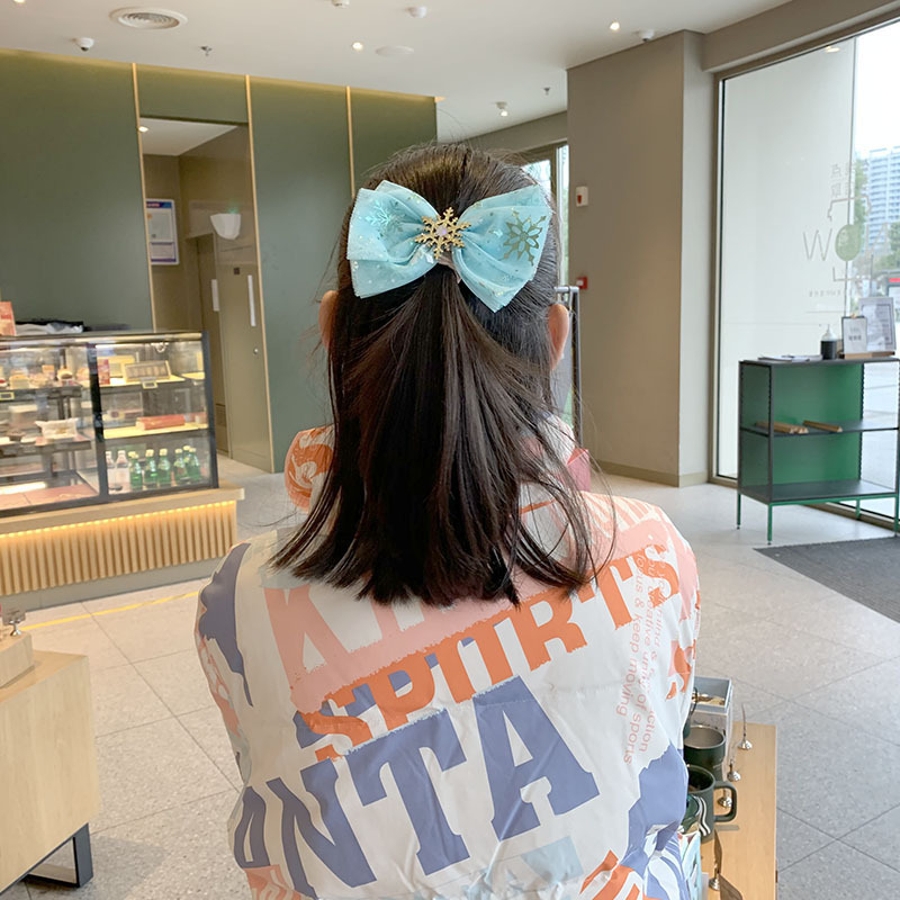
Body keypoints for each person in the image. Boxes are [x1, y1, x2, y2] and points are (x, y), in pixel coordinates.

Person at [196, 144, 700, 900]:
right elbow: (657, 776)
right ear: (555, 339)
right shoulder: (653, 556)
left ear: (332, 330)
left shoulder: (236, 601)